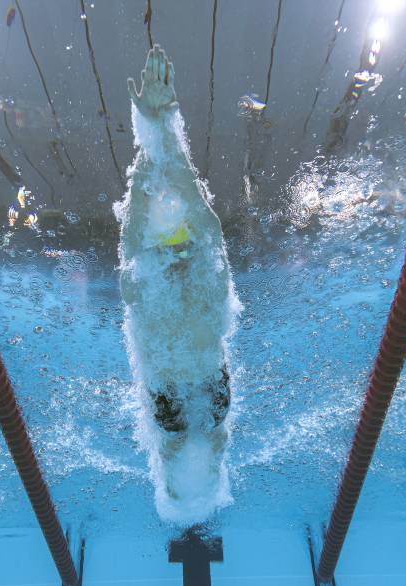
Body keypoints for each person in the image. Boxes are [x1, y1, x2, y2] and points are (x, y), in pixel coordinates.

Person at [115, 46, 239, 513]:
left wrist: (156, 129)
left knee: (190, 436)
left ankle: (191, 489)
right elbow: (205, 229)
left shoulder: (146, 285)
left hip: (180, 383)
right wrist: (157, 128)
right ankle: (191, 489)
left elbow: (147, 242)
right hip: (191, 381)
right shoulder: (199, 285)